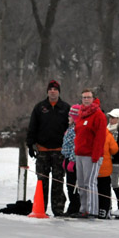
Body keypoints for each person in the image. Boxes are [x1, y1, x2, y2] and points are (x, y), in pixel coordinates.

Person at [26, 80, 71, 216]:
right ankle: (41, 207)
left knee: (58, 181)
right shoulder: (39, 107)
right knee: (42, 181)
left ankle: (58, 209)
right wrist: (30, 144)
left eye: (55, 89)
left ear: (59, 92)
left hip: (59, 151)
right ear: (47, 91)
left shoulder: (65, 107)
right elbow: (32, 126)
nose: (53, 91)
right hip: (42, 150)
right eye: (50, 89)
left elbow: (71, 129)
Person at [74, 89, 106, 218]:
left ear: (93, 99)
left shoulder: (98, 115)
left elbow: (100, 137)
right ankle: (84, 209)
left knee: (90, 183)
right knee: (81, 183)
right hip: (80, 154)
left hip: (91, 155)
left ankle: (92, 210)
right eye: (84, 97)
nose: (86, 99)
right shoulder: (81, 114)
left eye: (88, 97)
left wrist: (96, 156)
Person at [61, 105, 80, 216]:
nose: (68, 118)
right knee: (69, 184)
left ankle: (75, 206)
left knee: (73, 185)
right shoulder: (70, 128)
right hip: (68, 158)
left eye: (70, 116)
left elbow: (75, 146)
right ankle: (72, 206)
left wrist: (72, 160)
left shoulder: (75, 129)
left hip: (74, 160)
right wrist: (65, 158)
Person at [97, 125, 119, 219]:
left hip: (93, 167)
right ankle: (105, 210)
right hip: (105, 168)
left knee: (95, 190)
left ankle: (95, 209)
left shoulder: (91, 133)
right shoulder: (108, 134)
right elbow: (114, 150)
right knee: (105, 191)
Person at [106, 108, 119, 215]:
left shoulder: (118, 131)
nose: (111, 119)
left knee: (114, 183)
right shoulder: (107, 129)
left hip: (115, 162)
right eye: (110, 117)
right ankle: (108, 205)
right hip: (106, 161)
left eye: (113, 118)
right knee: (106, 184)